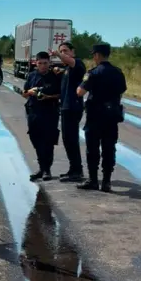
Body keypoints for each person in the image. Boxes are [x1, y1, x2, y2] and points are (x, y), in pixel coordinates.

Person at [76, 43, 127, 192]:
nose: (93, 57)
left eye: (93, 55)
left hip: (95, 116)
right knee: (109, 148)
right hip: (111, 117)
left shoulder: (93, 73)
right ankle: (106, 182)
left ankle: (93, 180)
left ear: (97, 55)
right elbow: (121, 91)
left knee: (93, 149)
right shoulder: (118, 72)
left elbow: (80, 92)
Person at [21, 51, 61, 181]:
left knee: (48, 141)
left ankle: (47, 170)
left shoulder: (55, 76)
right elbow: (24, 93)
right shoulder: (32, 76)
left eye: (45, 63)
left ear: (49, 63)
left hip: (50, 112)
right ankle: (41, 167)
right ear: (35, 63)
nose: (43, 66)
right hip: (34, 112)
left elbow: (61, 94)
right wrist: (30, 92)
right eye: (40, 63)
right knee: (36, 140)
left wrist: (47, 97)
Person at [50, 42, 86, 182]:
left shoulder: (78, 64)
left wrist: (58, 54)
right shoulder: (67, 68)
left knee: (71, 139)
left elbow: (70, 62)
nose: (63, 53)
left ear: (73, 52)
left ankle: (77, 171)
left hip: (73, 107)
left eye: (65, 51)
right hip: (66, 107)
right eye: (61, 51)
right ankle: (74, 169)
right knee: (67, 139)